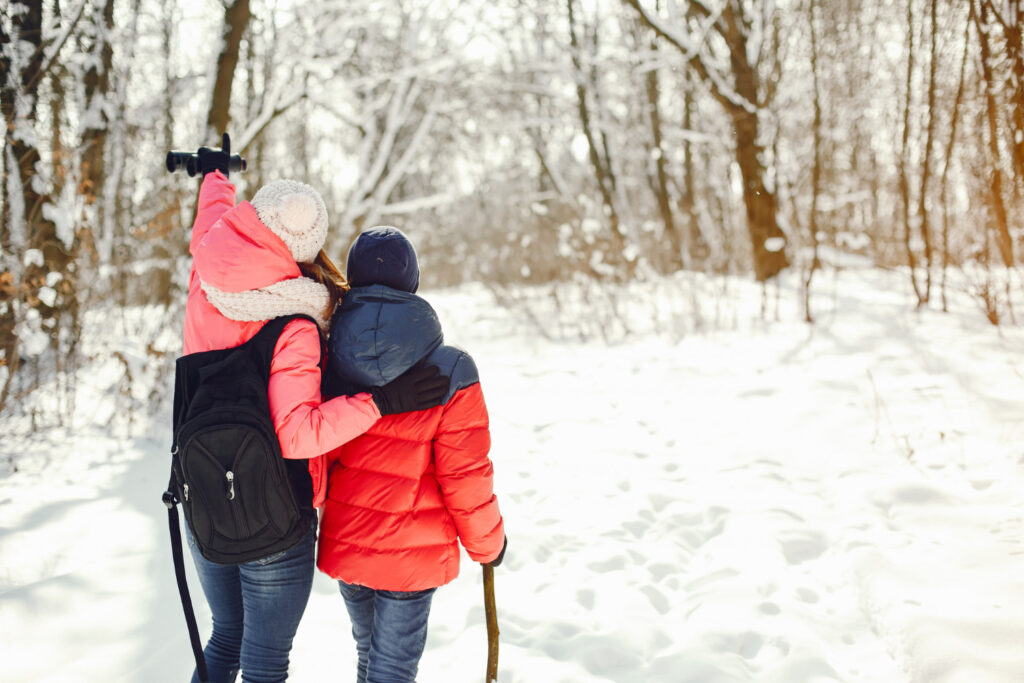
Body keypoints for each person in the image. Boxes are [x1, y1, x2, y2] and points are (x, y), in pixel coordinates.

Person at [181, 138, 449, 683]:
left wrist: (215, 176)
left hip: (201, 493)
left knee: (224, 638)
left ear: (252, 222)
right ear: (305, 248)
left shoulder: (205, 279)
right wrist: (381, 403)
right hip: (273, 512)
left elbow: (211, 226)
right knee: (263, 665)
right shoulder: (297, 324)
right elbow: (298, 435)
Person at [316, 226, 507, 683]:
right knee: (392, 671)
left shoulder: (325, 358)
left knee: (370, 658)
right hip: (412, 554)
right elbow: (466, 476)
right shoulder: (452, 370)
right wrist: (488, 543)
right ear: (413, 281)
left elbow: (316, 451)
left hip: (349, 541)